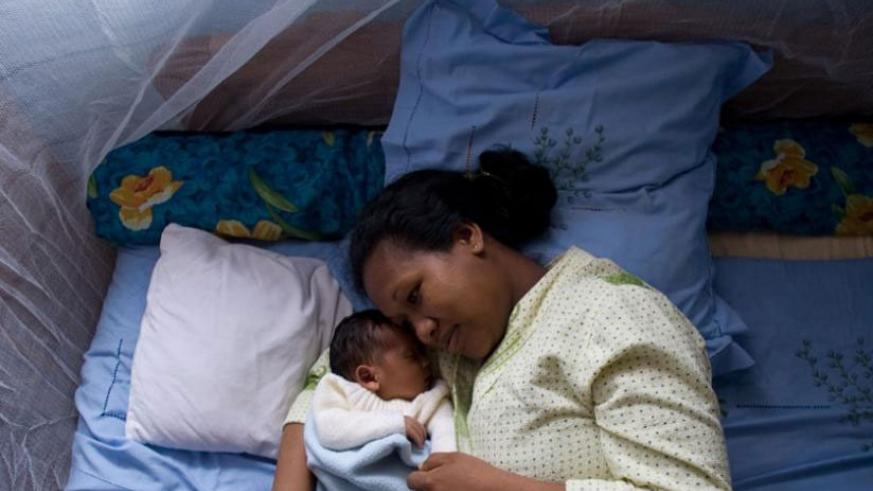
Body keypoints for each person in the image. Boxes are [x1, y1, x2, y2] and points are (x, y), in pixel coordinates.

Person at [274, 148, 731, 491]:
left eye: (416, 295)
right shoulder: (446, 348)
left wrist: (495, 486)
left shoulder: (610, 316)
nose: (423, 330)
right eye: (405, 323)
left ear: (467, 236)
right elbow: (332, 373)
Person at [308, 309, 455, 453]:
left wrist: (441, 463)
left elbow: (446, 433)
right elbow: (330, 430)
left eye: (422, 353)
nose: (426, 362)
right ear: (369, 377)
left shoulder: (431, 399)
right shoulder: (337, 389)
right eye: (412, 356)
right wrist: (394, 424)